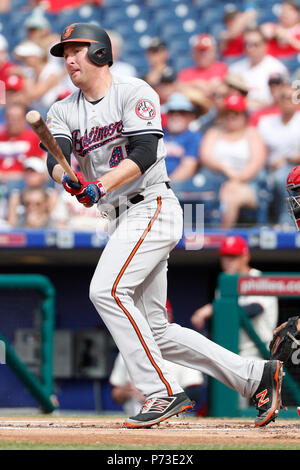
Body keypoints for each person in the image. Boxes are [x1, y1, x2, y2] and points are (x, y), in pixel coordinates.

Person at [45, 22, 284, 428]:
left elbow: (144, 150)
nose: (69, 58)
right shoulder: (62, 109)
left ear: (101, 52)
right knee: (156, 330)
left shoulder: (135, 92)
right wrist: (65, 178)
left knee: (105, 290)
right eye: (64, 52)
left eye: (78, 49)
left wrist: (98, 184)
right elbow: (58, 155)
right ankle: (254, 375)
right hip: (117, 218)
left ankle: (162, 392)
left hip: (151, 205)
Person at [191, 235, 279, 360]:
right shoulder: (224, 285)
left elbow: (253, 310)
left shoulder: (259, 279)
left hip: (258, 353)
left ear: (245, 257)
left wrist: (212, 308)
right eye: (225, 257)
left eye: (233, 257)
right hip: (232, 352)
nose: (227, 262)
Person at [200, 94, 267, 228]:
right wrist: (226, 168)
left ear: (244, 115)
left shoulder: (252, 134)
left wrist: (236, 179)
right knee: (193, 195)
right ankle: (192, 240)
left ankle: (220, 239)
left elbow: (256, 163)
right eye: (227, 113)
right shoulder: (213, 132)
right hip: (214, 182)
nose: (231, 117)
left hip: (248, 184)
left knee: (231, 194)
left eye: (236, 113)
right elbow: (205, 156)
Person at [257, 83, 300, 226]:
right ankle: (262, 224)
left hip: (294, 166)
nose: (288, 101)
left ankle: (286, 223)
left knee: (284, 178)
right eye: (284, 97)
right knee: (259, 178)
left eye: (292, 98)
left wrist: (286, 159)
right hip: (267, 167)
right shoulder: (266, 122)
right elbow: (258, 148)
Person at [229, 28, 288, 110]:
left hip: (266, 114)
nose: (250, 48)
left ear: (265, 45)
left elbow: (278, 100)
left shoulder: (276, 68)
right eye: (246, 44)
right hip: (239, 113)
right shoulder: (234, 68)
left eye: (255, 44)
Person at [0, 102, 45, 194]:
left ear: (24, 119)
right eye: (10, 117)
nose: (13, 121)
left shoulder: (34, 138)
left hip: (23, 186)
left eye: (17, 118)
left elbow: (41, 167)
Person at [162, 92, 202, 183]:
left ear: (190, 116)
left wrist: (165, 187)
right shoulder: (157, 134)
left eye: (181, 112)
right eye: (172, 112)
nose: (175, 116)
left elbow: (187, 168)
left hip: (175, 187)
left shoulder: (194, 138)